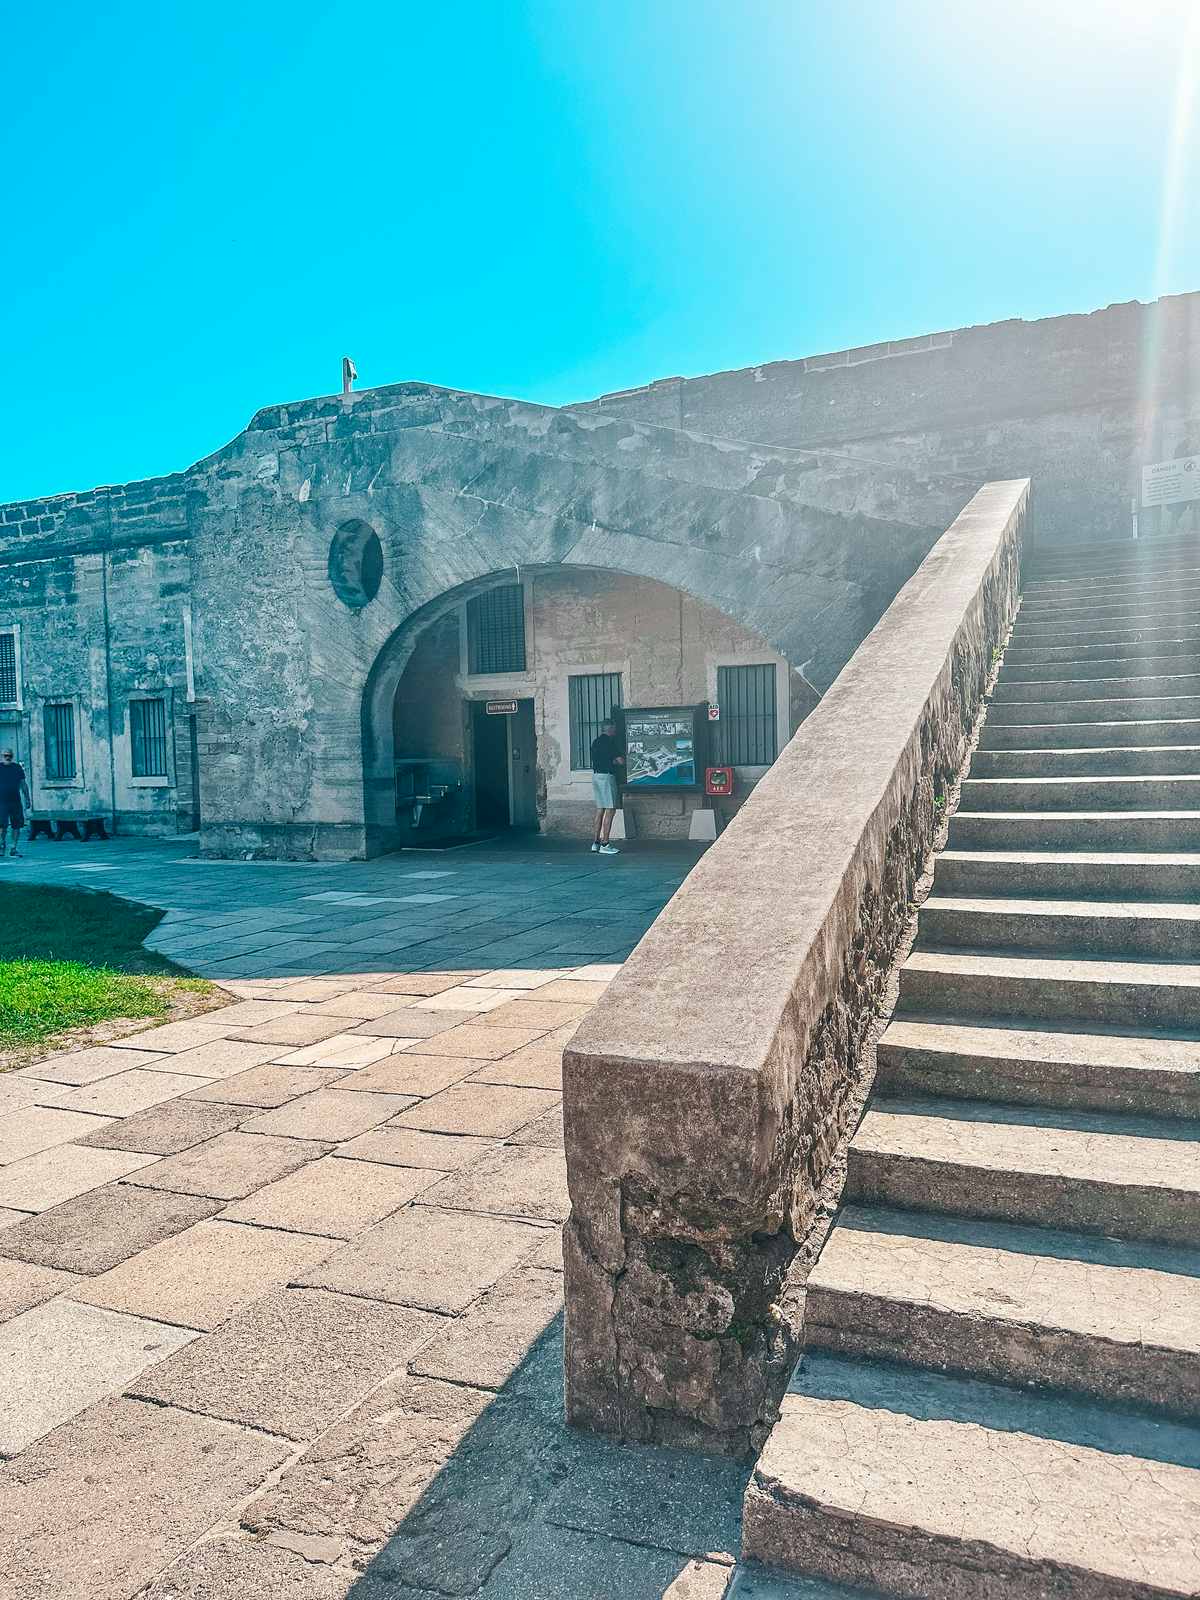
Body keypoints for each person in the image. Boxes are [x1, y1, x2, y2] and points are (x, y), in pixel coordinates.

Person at [589, 717, 624, 855]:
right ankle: (605, 843)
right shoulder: (610, 743)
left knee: (600, 809)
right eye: (614, 729)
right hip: (607, 777)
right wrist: (616, 761)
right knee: (610, 810)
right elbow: (620, 761)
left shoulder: (596, 742)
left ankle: (596, 842)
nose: (615, 731)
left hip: (596, 776)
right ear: (610, 729)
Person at [0, 749, 30, 857]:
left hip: (15, 801)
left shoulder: (17, 768)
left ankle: (14, 847)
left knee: (16, 825)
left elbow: (23, 784)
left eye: (10, 756)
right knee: (2, 825)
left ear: (12, 756)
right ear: (2, 756)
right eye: (5, 755)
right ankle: (2, 844)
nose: (8, 757)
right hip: (1, 802)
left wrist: (27, 798)